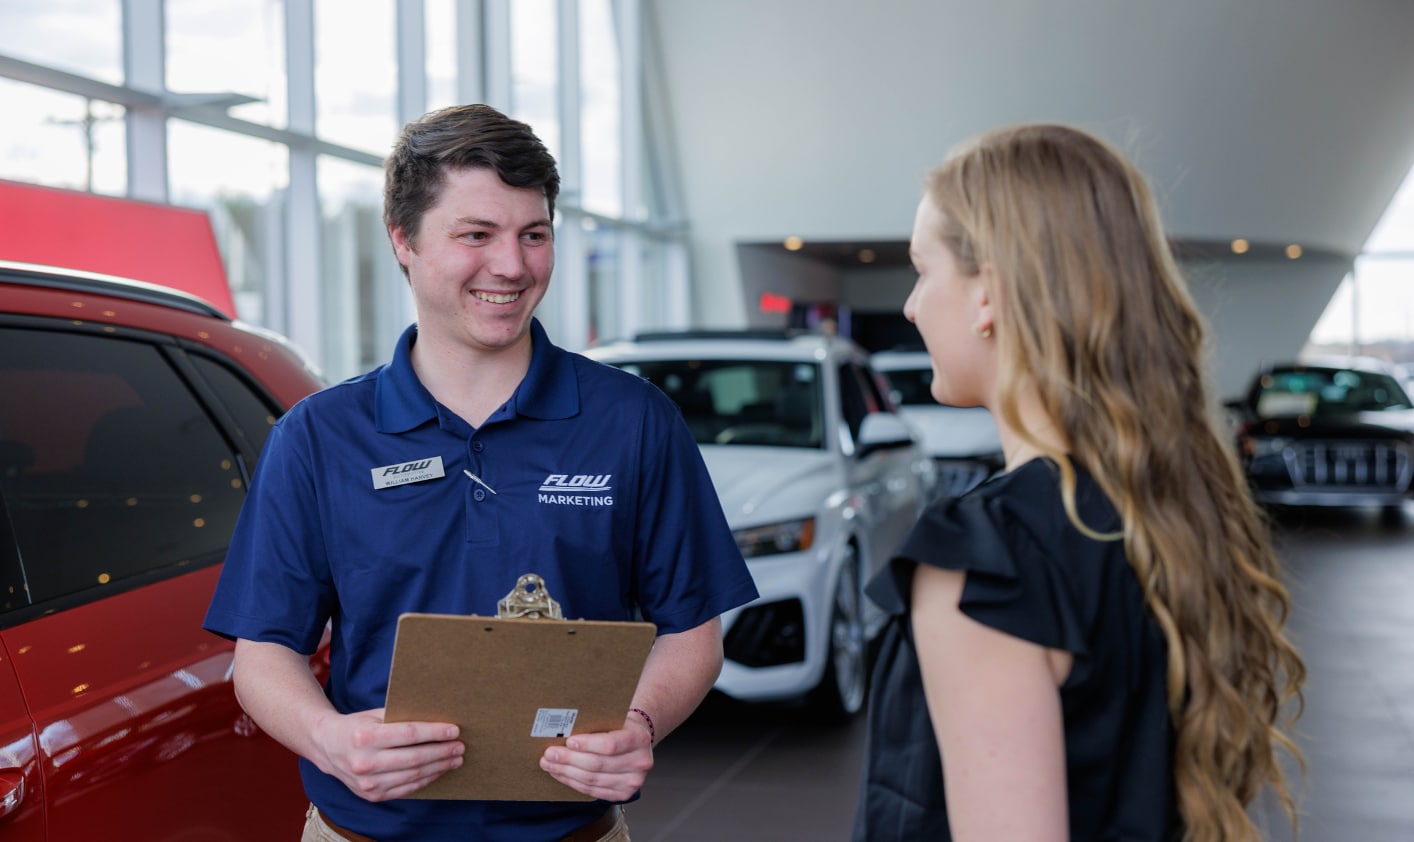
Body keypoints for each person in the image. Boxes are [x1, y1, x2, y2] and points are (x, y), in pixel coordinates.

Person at [204, 103, 759, 842]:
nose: (513, 265)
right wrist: (329, 740)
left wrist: (640, 722)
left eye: (534, 234)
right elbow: (263, 651)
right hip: (366, 832)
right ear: (402, 240)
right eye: (476, 235)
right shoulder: (319, 437)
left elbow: (693, 628)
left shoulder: (632, 421)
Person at [852, 124, 1306, 842]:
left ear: (988, 294)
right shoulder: (1166, 511)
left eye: (923, 269)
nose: (911, 306)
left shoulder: (986, 560)